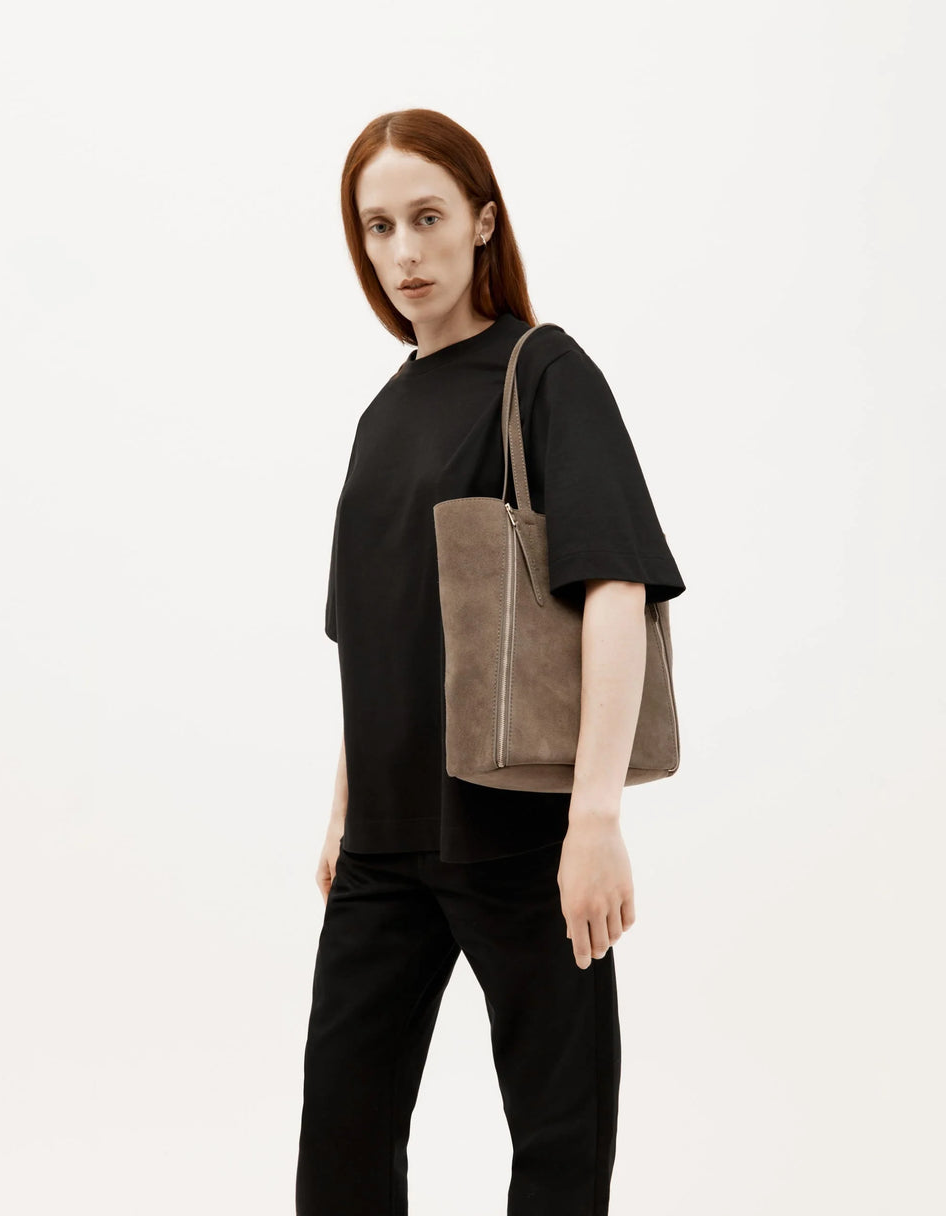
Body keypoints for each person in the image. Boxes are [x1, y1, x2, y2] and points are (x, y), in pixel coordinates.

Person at [295, 108, 686, 1216]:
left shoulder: (544, 371)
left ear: (481, 221)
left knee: (560, 1148)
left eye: (426, 217)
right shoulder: (381, 416)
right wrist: (342, 811)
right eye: (377, 227)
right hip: (383, 847)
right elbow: (373, 633)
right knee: (340, 1153)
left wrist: (594, 821)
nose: (403, 252)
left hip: (519, 834)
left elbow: (613, 585)